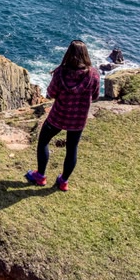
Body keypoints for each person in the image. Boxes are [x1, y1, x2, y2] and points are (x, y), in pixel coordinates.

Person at [25, 40, 100, 191]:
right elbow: (96, 96)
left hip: (58, 116)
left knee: (43, 142)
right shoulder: (93, 75)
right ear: (85, 55)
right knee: (72, 148)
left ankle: (40, 176)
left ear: (68, 54)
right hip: (78, 119)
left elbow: (51, 93)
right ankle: (63, 181)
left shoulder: (60, 73)